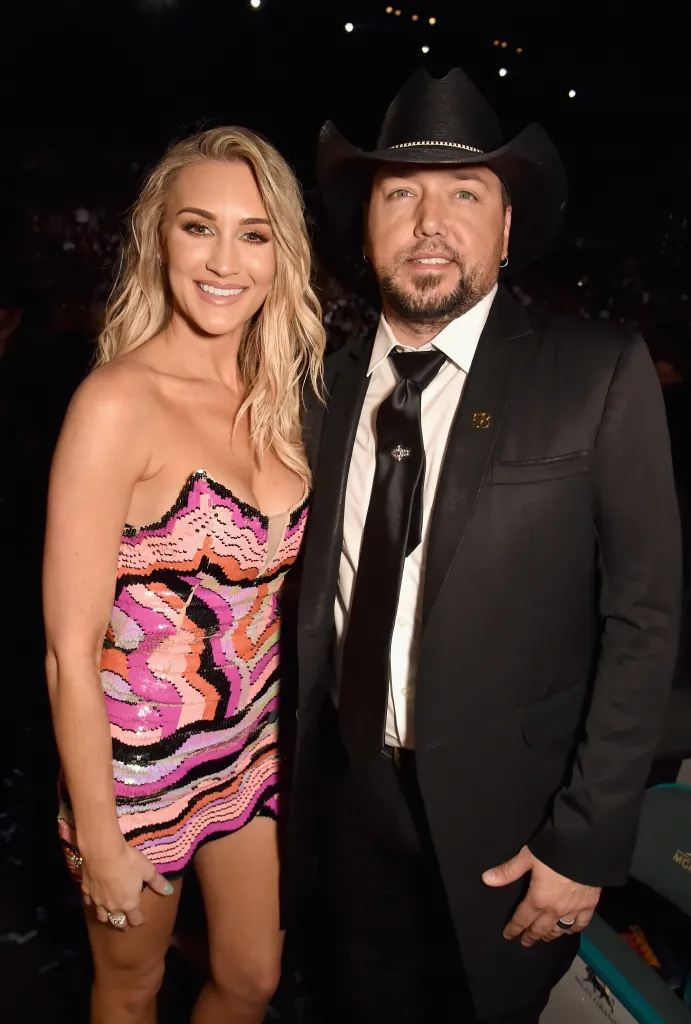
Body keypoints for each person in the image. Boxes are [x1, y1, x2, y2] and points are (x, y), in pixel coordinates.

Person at [288, 68, 681, 1023]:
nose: (431, 221)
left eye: (465, 194)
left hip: (513, 825)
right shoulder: (315, 386)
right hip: (342, 801)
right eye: (401, 193)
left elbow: (644, 617)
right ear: (365, 222)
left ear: (505, 229)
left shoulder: (597, 372)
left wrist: (585, 842)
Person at [43, 126, 324, 1024]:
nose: (224, 260)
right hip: (135, 771)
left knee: (251, 981)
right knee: (132, 987)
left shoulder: (280, 394)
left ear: (282, 255)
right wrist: (99, 833)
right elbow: (66, 649)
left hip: (248, 750)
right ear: (157, 237)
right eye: (198, 227)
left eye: (253, 234)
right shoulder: (115, 403)